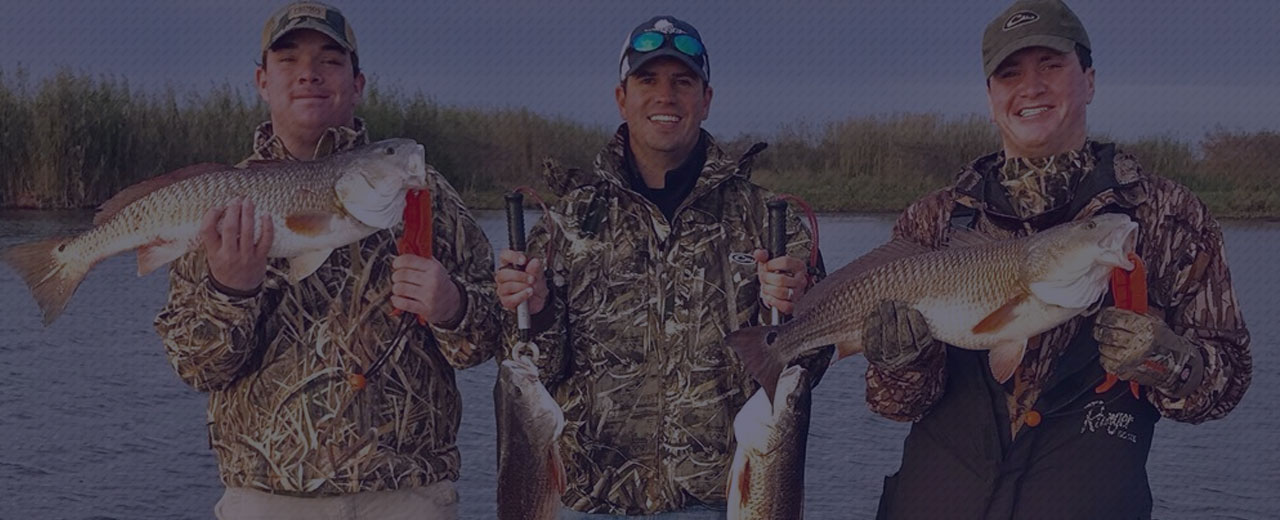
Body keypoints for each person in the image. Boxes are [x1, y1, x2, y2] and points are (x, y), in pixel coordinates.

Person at [862, 1, 1253, 518]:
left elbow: (1227, 383)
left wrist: (1169, 362)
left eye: (1051, 65)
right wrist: (900, 362)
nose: (1031, 87)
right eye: (1010, 73)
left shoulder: (1167, 216)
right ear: (991, 97)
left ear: (1089, 80)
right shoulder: (930, 222)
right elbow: (895, 406)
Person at [153, 3, 500, 518]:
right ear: (262, 80)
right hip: (266, 499)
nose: (309, 74)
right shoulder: (223, 201)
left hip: (406, 496)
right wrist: (230, 291)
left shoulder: (428, 196)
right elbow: (197, 367)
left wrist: (452, 308)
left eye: (330, 61)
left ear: (357, 83)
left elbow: (488, 341)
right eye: (288, 60)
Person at [494, 15, 830, 518]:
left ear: (706, 98)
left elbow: (809, 371)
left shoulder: (769, 222)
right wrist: (536, 313)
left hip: (726, 501)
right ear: (621, 97)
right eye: (647, 80)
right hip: (593, 504)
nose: (665, 96)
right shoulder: (565, 222)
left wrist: (796, 314)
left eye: (682, 81)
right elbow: (529, 374)